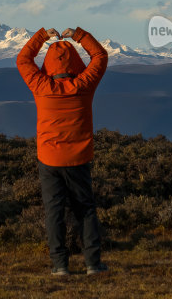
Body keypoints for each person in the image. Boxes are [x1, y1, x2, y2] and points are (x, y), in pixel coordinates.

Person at [16, 26, 109, 276]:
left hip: (49, 159)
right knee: (85, 210)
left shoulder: (40, 85)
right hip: (79, 158)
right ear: (76, 62)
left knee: (54, 212)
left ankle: (60, 266)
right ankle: (92, 264)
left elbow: (23, 60)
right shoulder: (85, 84)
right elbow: (100, 57)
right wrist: (79, 35)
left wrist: (41, 37)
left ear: (48, 65)